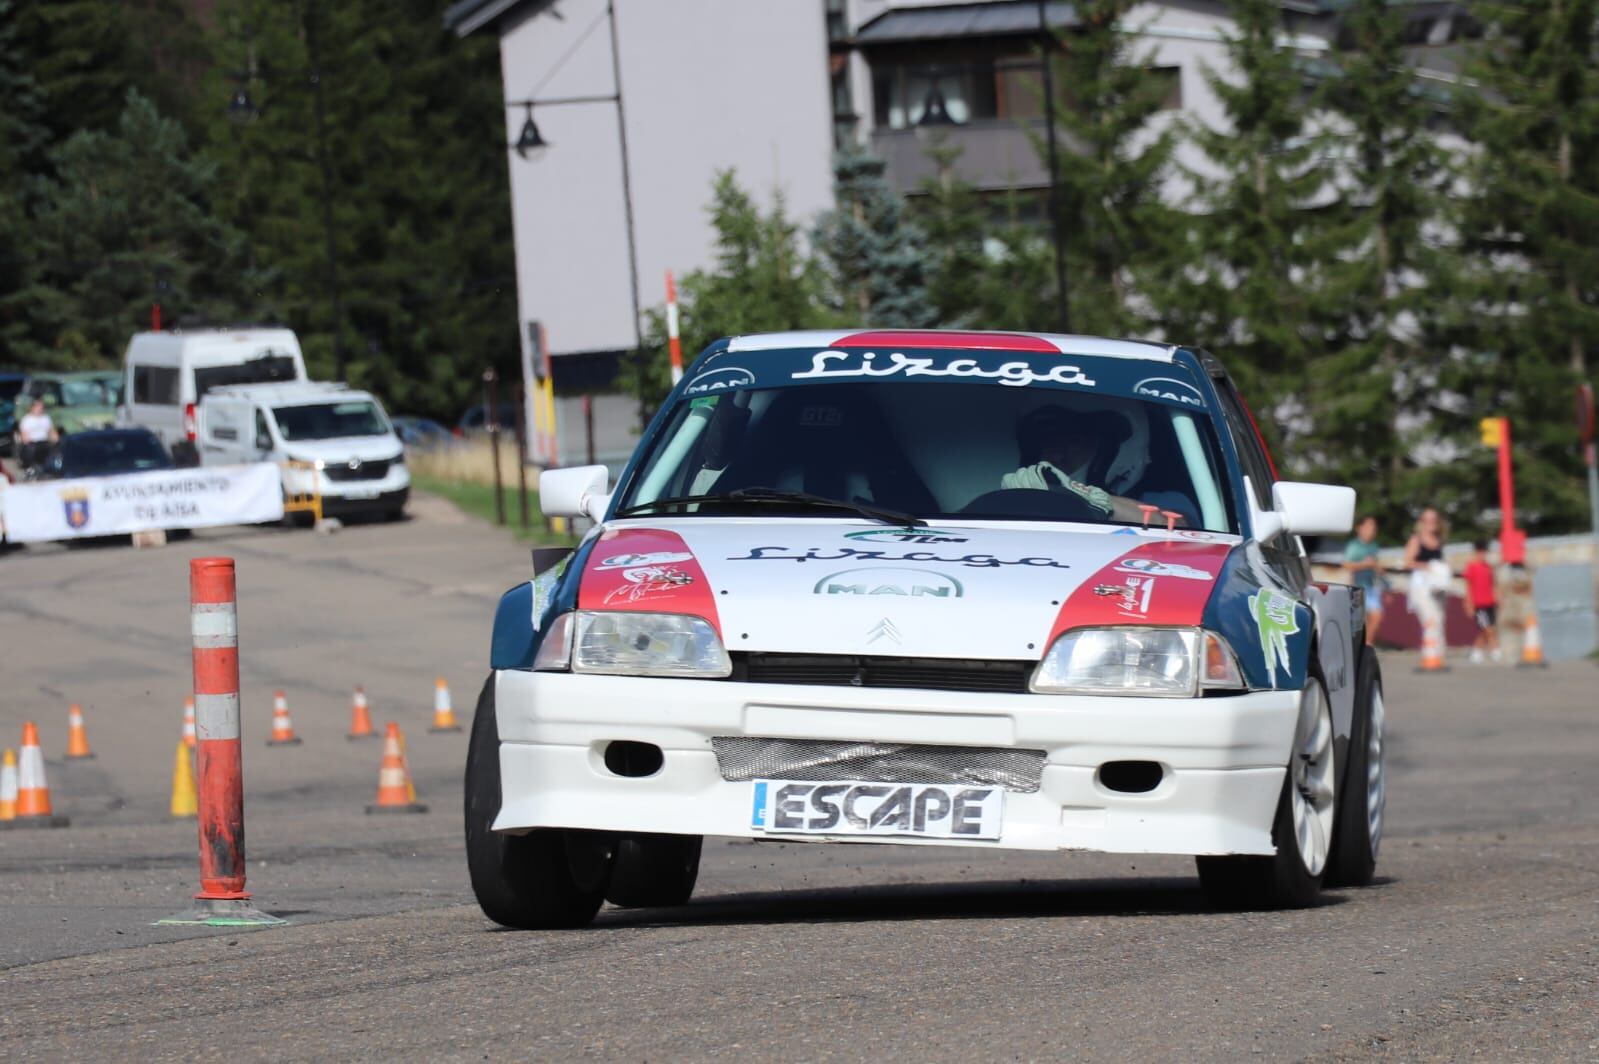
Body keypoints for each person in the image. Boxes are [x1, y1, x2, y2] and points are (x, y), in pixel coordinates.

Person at [1000, 405, 1181, 525]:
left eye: (1075, 442)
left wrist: (1088, 497)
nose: (1057, 455)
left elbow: (1179, 526)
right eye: (1048, 443)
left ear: (1112, 447)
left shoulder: (1162, 499)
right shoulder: (1014, 500)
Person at [1343, 514, 1387, 646]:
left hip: (1371, 586)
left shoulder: (1373, 546)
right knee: (1358, 619)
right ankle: (1358, 644)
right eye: (1368, 526)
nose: (1372, 530)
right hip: (1357, 586)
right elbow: (1347, 564)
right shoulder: (1354, 546)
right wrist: (1365, 564)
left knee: (1376, 615)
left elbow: (1374, 566)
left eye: (1374, 527)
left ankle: (1367, 643)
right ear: (1359, 528)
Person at [1463, 538, 1501, 663]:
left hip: (1490, 603)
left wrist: (1498, 598)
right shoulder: (1471, 567)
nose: (1483, 554)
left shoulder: (1489, 567)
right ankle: (1495, 650)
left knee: (1485, 630)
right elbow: (1468, 587)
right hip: (1479, 605)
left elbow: (1493, 585)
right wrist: (1468, 603)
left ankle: (1476, 651)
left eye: (1485, 551)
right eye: (1480, 551)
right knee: (1487, 628)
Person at [15, 398, 56, 473]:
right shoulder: (27, 420)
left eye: (41, 407)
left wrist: (56, 440)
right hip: (32, 443)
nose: (40, 409)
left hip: (44, 441)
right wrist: (27, 441)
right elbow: (24, 434)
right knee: (31, 449)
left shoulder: (46, 418)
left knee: (53, 450)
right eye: (38, 407)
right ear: (32, 408)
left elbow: (51, 431)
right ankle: (31, 467)